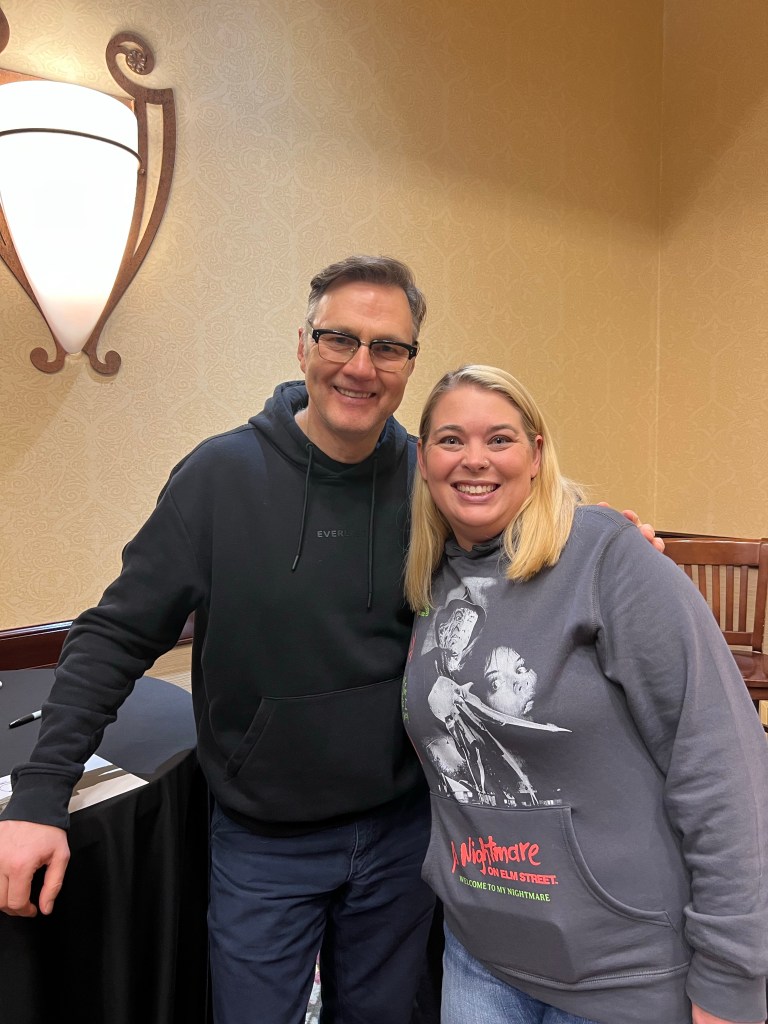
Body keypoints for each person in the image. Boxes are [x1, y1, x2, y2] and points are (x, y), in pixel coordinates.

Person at [0, 257, 662, 1024]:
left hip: (405, 833)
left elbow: (521, 524)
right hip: (263, 842)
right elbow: (115, 635)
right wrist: (40, 796)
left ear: (409, 363)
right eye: (339, 338)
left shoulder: (429, 479)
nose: (361, 365)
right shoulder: (219, 478)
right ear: (303, 345)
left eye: (388, 347)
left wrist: (607, 543)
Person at [402, 364, 768, 1024]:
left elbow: (723, 766)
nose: (475, 459)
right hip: (479, 958)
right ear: (423, 460)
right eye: (451, 440)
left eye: (500, 439)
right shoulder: (431, 580)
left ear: (537, 453)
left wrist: (731, 976)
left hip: (620, 973)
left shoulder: (610, 559)